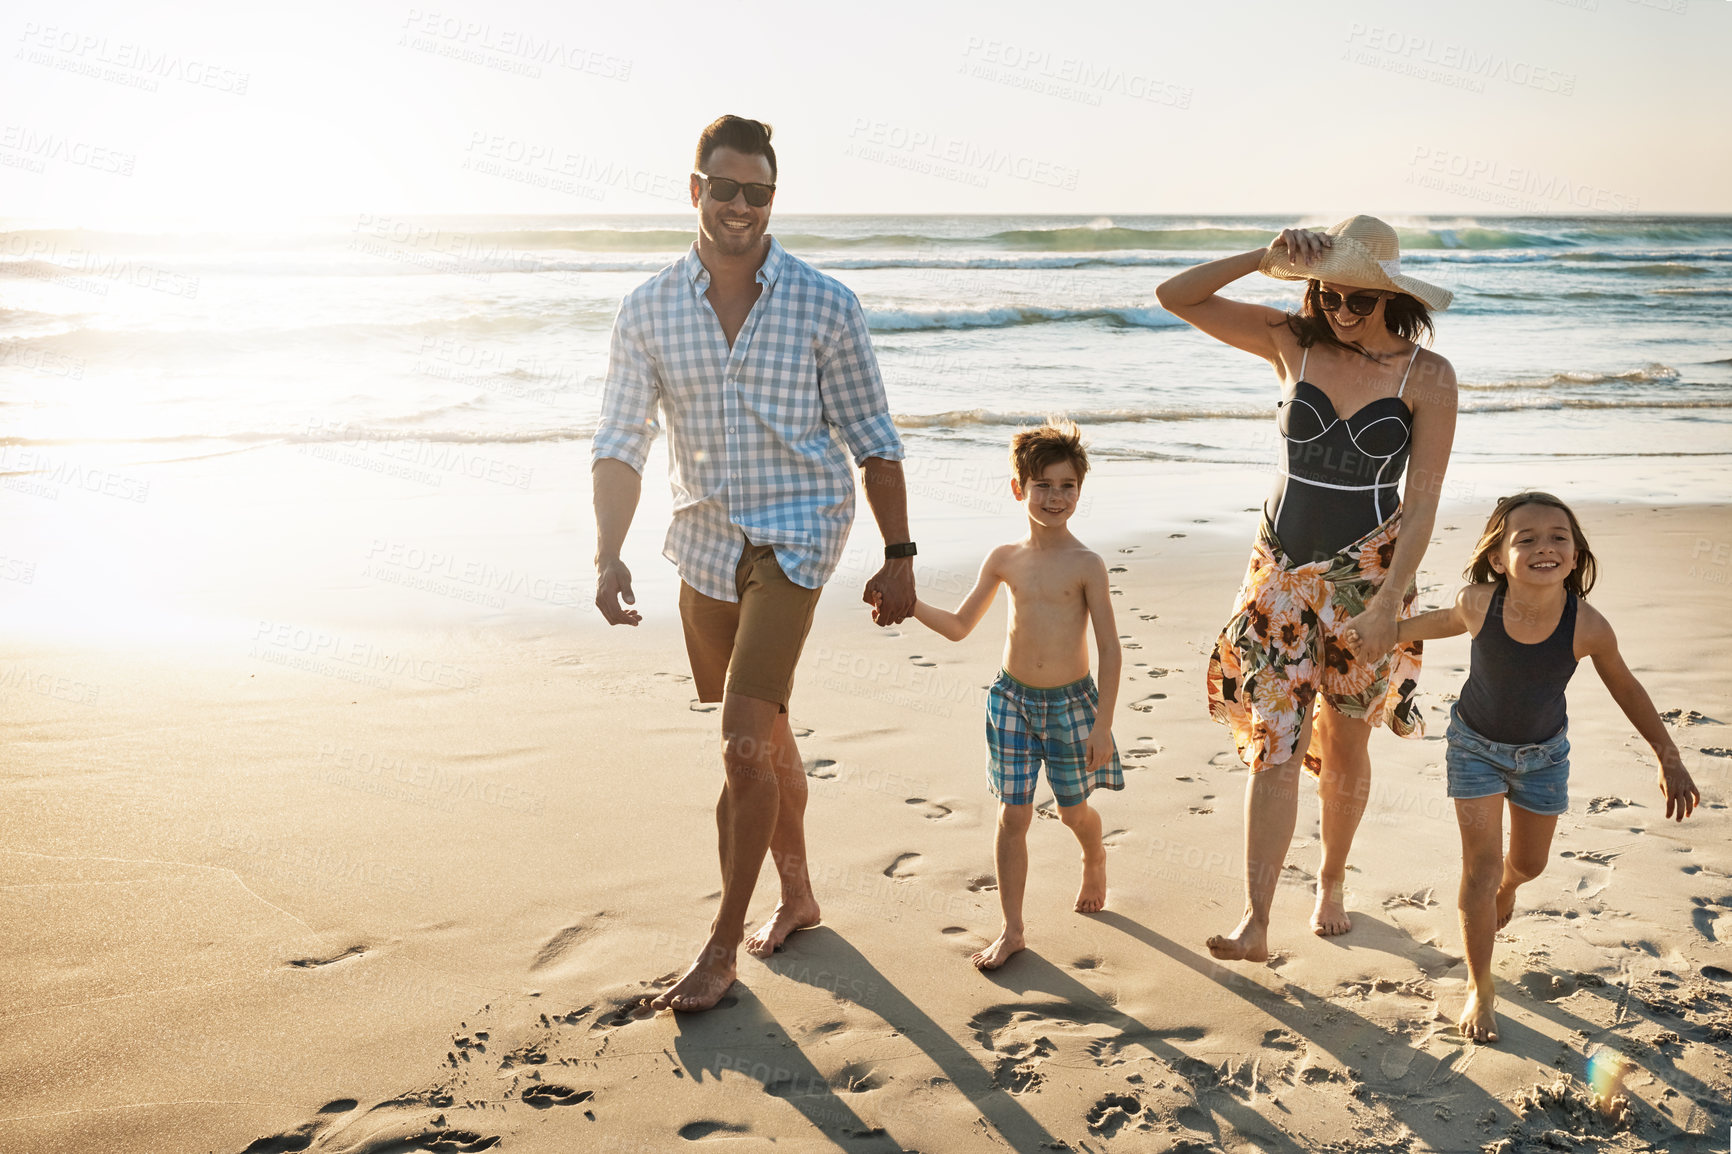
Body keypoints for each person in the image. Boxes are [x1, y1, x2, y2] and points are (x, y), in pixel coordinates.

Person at [592, 115, 917, 1012]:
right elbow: (622, 441)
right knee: (767, 729)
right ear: (695, 189)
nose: (741, 207)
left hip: (798, 535)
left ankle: (720, 947)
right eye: (724, 188)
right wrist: (608, 551)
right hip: (702, 543)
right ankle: (800, 893)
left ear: (776, 198)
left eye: (758, 192)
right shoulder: (648, 308)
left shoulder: (825, 303)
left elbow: (874, 440)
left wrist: (899, 555)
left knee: (739, 742)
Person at [1154, 216, 1458, 962]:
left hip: (1366, 582)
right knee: (1274, 743)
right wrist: (1261, 257)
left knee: (1346, 741)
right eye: (1328, 296)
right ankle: (1256, 921)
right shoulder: (1292, 341)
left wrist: (1391, 605)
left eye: (1358, 301)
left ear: (1390, 297)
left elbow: (1421, 502)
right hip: (1281, 579)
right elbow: (1175, 295)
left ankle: (1330, 880)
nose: (1340, 313)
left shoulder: (1429, 376)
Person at [1367, 492, 1699, 1042]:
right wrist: (1387, 631)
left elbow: (1627, 688)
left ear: (1574, 555)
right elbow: (1443, 621)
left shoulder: (1587, 625)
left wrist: (1670, 755)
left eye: (1558, 537)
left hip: (1543, 758)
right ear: (1499, 557)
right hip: (1473, 746)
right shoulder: (1479, 602)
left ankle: (1509, 887)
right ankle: (1481, 986)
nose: (1544, 547)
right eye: (1527, 539)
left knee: (1528, 864)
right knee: (1481, 867)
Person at [908, 421, 1123, 970]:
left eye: (1067, 486)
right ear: (1018, 489)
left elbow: (1110, 649)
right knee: (1014, 815)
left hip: (1072, 704)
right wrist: (908, 603)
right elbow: (959, 626)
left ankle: (1094, 856)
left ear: (1081, 490)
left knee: (1075, 812)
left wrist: (1103, 724)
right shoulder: (1004, 558)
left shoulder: (1087, 565)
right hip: (1011, 701)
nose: (1055, 497)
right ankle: (1012, 929)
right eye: (1043, 486)